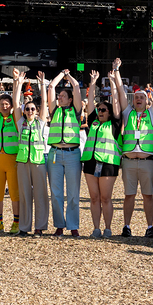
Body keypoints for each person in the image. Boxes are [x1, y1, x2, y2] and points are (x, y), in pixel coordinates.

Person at [112, 58, 153, 238]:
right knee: (129, 195)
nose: (138, 99)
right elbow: (120, 91)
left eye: (142, 97)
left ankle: (150, 227)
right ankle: (126, 226)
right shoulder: (128, 112)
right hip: (129, 161)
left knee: (148, 195)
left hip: (147, 161)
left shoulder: (152, 114)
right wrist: (116, 70)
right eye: (136, 97)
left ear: (147, 101)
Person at [82, 69, 122, 238]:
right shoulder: (93, 122)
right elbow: (90, 102)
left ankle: (108, 228)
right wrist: (92, 83)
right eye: (99, 109)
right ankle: (96, 228)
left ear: (110, 112)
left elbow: (117, 102)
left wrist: (112, 82)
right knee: (94, 198)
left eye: (104, 109)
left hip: (108, 164)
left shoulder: (115, 123)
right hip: (90, 162)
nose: (100, 111)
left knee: (106, 198)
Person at [47, 68, 83, 236]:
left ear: (70, 99)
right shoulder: (54, 110)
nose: (59, 97)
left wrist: (69, 76)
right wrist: (61, 74)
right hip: (55, 153)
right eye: (59, 95)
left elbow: (76, 87)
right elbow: (50, 87)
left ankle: (73, 226)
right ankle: (59, 225)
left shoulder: (76, 111)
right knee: (56, 193)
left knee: (73, 193)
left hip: (72, 154)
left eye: (63, 96)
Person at [13, 71, 50, 237]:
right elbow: (15, 103)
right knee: (25, 195)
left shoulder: (41, 122)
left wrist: (42, 84)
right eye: (27, 109)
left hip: (38, 162)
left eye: (32, 109)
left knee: (40, 195)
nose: (29, 111)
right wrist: (19, 84)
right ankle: (24, 227)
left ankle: (39, 227)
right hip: (22, 162)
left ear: (37, 111)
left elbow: (44, 101)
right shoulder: (21, 123)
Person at [0, 65, 21, 234]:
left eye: (7, 104)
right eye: (2, 104)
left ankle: (16, 223)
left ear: (11, 106)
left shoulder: (15, 118)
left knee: (15, 194)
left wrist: (16, 81)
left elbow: (16, 99)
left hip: (12, 160)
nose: (4, 106)